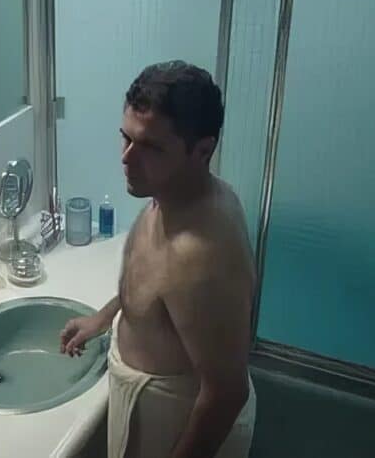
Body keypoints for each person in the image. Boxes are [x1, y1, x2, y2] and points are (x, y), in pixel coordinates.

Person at [60, 61, 257, 458]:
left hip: (177, 425)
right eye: (126, 138)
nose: (127, 158)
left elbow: (226, 394)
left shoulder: (199, 256)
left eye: (151, 147)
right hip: (153, 408)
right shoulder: (172, 194)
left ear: (203, 150)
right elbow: (152, 281)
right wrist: (104, 318)